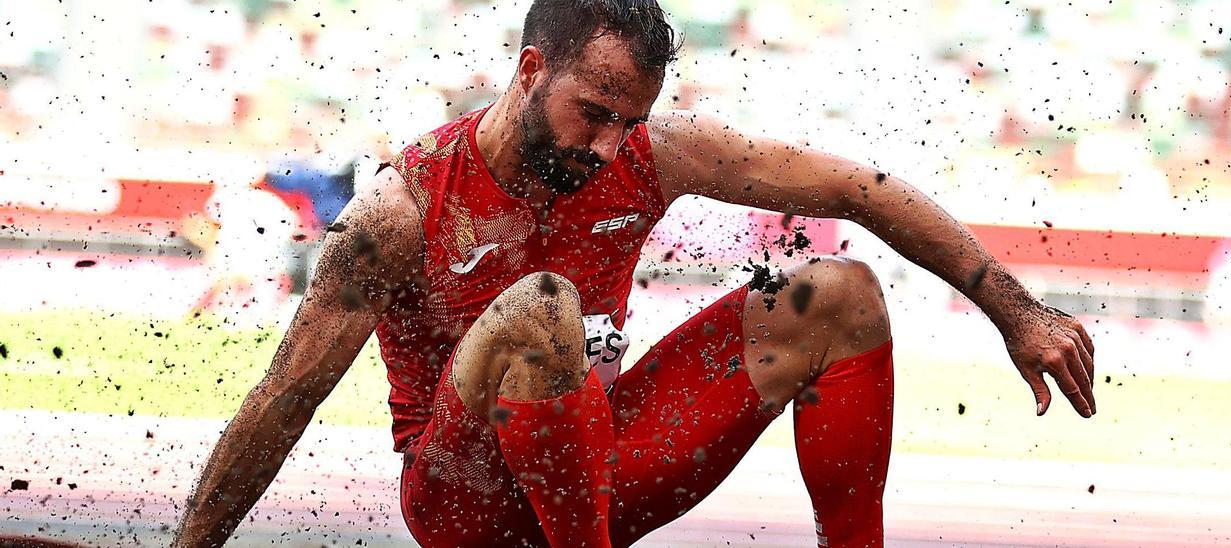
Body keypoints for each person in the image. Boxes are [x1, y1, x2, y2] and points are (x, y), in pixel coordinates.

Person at [173, 1, 1097, 547]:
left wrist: (1013, 309)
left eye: (632, 120)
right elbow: (281, 399)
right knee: (545, 307)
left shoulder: (650, 153)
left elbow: (860, 187)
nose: (612, 144)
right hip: (467, 505)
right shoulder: (401, 209)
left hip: (600, 471)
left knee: (838, 291)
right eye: (593, 112)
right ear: (531, 69)